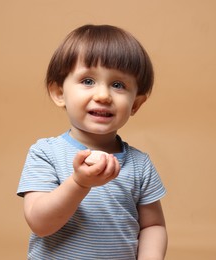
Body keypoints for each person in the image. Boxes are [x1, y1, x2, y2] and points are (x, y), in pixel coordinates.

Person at [17, 24, 167, 259]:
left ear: (135, 104)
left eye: (118, 85)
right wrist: (79, 183)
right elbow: (39, 222)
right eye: (88, 81)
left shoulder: (140, 164)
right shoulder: (45, 153)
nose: (103, 96)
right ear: (59, 93)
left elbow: (153, 226)